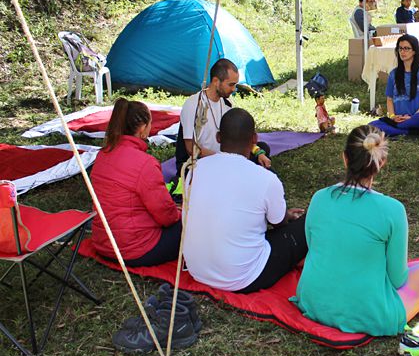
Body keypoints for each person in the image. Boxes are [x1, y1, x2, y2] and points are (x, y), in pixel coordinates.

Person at [293, 126, 419, 356]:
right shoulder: (392, 209)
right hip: (370, 313)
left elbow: (314, 247)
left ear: (345, 158)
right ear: (382, 163)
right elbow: (398, 279)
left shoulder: (319, 198)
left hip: (311, 300)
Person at [183, 108, 307, 293]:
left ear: (218, 137)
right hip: (242, 278)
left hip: (197, 269)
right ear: (254, 139)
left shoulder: (195, 168)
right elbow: (279, 223)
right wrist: (287, 216)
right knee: (308, 222)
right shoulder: (265, 178)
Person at [90, 98, 182, 266]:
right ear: (142, 128)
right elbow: (166, 215)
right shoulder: (145, 163)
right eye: (150, 124)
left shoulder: (102, 155)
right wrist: (180, 214)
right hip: (134, 249)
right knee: (192, 224)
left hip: (103, 243)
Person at [175, 58, 270, 180]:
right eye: (231, 84)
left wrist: (258, 152)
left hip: (223, 159)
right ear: (216, 81)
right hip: (200, 163)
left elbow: (238, 138)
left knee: (263, 148)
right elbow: (191, 149)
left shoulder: (226, 104)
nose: (234, 89)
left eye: (235, 85)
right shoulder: (194, 104)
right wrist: (222, 159)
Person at [370, 34, 419, 137]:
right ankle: (407, 131)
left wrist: (412, 118)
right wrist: (392, 116)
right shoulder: (393, 74)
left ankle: (398, 128)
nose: (402, 52)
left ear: (414, 51)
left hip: (416, 118)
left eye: (406, 48)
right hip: (397, 119)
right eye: (400, 48)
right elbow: (389, 99)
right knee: (372, 125)